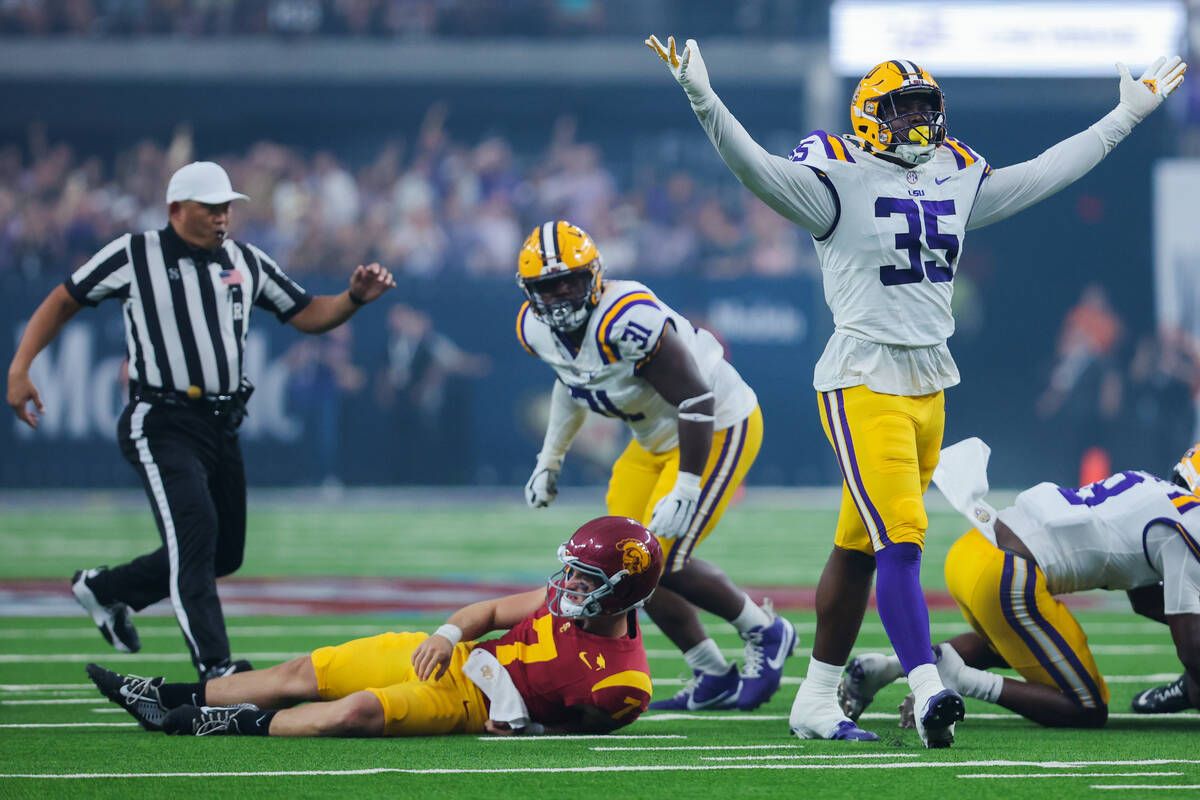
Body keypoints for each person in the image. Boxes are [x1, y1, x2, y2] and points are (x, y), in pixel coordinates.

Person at [647, 34, 1187, 746]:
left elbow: (1042, 174)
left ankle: (814, 698)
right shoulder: (835, 174)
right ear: (870, 115)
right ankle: (929, 686)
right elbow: (757, 170)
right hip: (862, 378)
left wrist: (1124, 117)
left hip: (930, 380)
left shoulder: (955, 171)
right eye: (901, 110)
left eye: (925, 109)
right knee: (902, 539)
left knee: (857, 548)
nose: (918, 124)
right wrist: (702, 95)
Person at [6, 161, 396, 680]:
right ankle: (216, 669)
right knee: (196, 534)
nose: (222, 218)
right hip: (161, 417)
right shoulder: (135, 253)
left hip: (221, 423)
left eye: (226, 207)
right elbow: (63, 299)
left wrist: (353, 299)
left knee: (224, 551)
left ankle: (106, 590)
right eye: (210, 208)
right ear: (175, 210)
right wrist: (19, 368)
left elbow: (306, 312)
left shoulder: (243, 259)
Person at [517, 220, 795, 711]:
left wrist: (687, 488)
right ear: (530, 293)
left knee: (662, 561)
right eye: (548, 286)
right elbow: (571, 381)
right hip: (650, 440)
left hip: (717, 425)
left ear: (595, 277)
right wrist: (549, 458)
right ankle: (712, 672)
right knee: (617, 568)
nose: (561, 295)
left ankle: (767, 631)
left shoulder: (627, 319)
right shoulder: (536, 329)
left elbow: (695, 397)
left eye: (571, 281)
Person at [86, 516, 661, 737]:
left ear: (623, 590)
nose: (566, 585)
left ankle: (223, 723)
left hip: (477, 706)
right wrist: (444, 635)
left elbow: (586, 732)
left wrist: (529, 731)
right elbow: (483, 615)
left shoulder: (623, 685)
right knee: (304, 671)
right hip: (460, 661)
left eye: (584, 579)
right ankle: (162, 696)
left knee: (355, 710)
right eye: (570, 571)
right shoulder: (559, 598)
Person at [839, 437, 1200, 729]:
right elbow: (1192, 649)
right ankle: (961, 679)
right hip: (1008, 576)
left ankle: (884, 669)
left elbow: (1143, 597)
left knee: (1021, 647)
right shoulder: (1189, 521)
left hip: (972, 552)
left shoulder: (1151, 490)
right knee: (1087, 706)